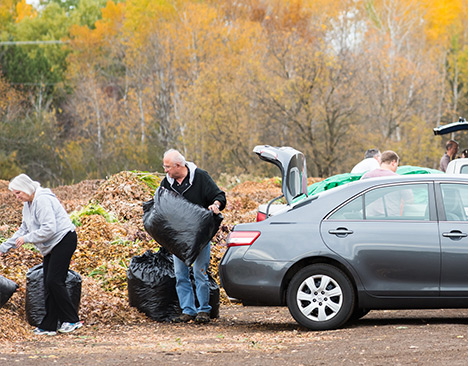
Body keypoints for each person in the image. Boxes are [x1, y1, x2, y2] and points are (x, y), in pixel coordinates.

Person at [0, 174, 81, 336]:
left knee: (54, 281)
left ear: (26, 188)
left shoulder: (42, 200)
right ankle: (49, 325)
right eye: (15, 194)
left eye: (18, 193)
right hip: (51, 245)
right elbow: (23, 229)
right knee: (48, 282)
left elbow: (49, 228)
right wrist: (3, 247)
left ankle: (72, 320)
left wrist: (27, 239)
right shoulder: (27, 204)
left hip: (63, 240)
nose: (17, 197)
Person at [160, 149, 226, 324]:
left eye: (167, 167)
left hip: (199, 237)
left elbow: (219, 196)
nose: (165, 170)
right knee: (180, 274)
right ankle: (188, 310)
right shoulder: (167, 183)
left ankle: (204, 310)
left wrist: (215, 204)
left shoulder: (200, 178)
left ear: (178, 166)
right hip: (178, 238)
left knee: (200, 272)